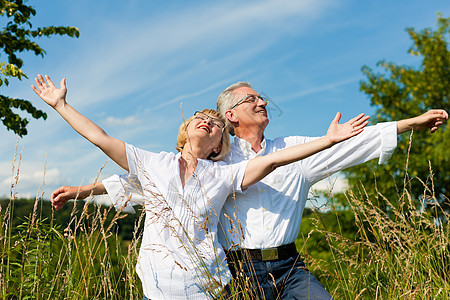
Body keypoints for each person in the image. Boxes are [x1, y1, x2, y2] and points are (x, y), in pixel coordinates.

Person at [32, 74, 370, 300]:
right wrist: (61, 105)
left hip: (208, 284)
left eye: (216, 125)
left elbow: (273, 161)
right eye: (200, 117)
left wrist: (327, 140)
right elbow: (100, 139)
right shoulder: (153, 163)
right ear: (187, 128)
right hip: (160, 285)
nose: (207, 122)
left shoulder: (222, 175)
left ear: (218, 145)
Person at [214, 81, 448, 299]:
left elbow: (353, 143)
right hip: (238, 272)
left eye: (261, 98)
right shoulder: (217, 162)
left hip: (289, 269)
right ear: (231, 114)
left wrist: (411, 123)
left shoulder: (293, 148)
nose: (262, 102)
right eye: (251, 99)